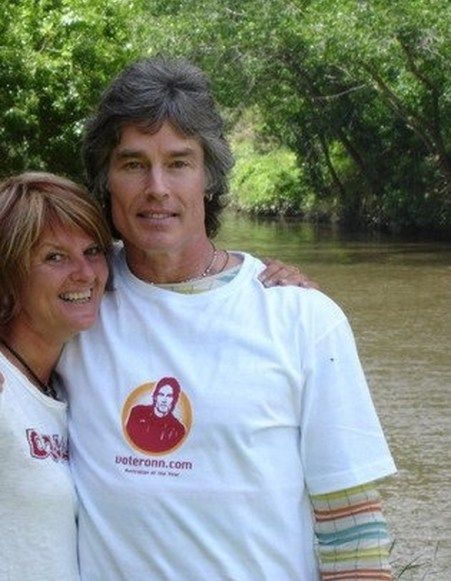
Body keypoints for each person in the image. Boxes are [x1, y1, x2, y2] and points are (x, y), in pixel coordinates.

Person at [57, 57, 397, 580]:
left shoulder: (301, 318)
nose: (157, 187)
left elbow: (353, 535)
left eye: (178, 163)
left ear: (209, 178)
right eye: (133, 164)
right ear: (106, 179)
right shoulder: (74, 309)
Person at [0, 172, 111, 580]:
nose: (85, 273)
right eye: (55, 257)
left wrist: (255, 273)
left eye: (93, 251)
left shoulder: (64, 381)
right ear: (9, 274)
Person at [126, 376, 187, 453]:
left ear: (174, 400)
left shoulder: (178, 430)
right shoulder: (137, 412)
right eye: (161, 394)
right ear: (155, 396)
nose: (164, 400)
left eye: (169, 396)